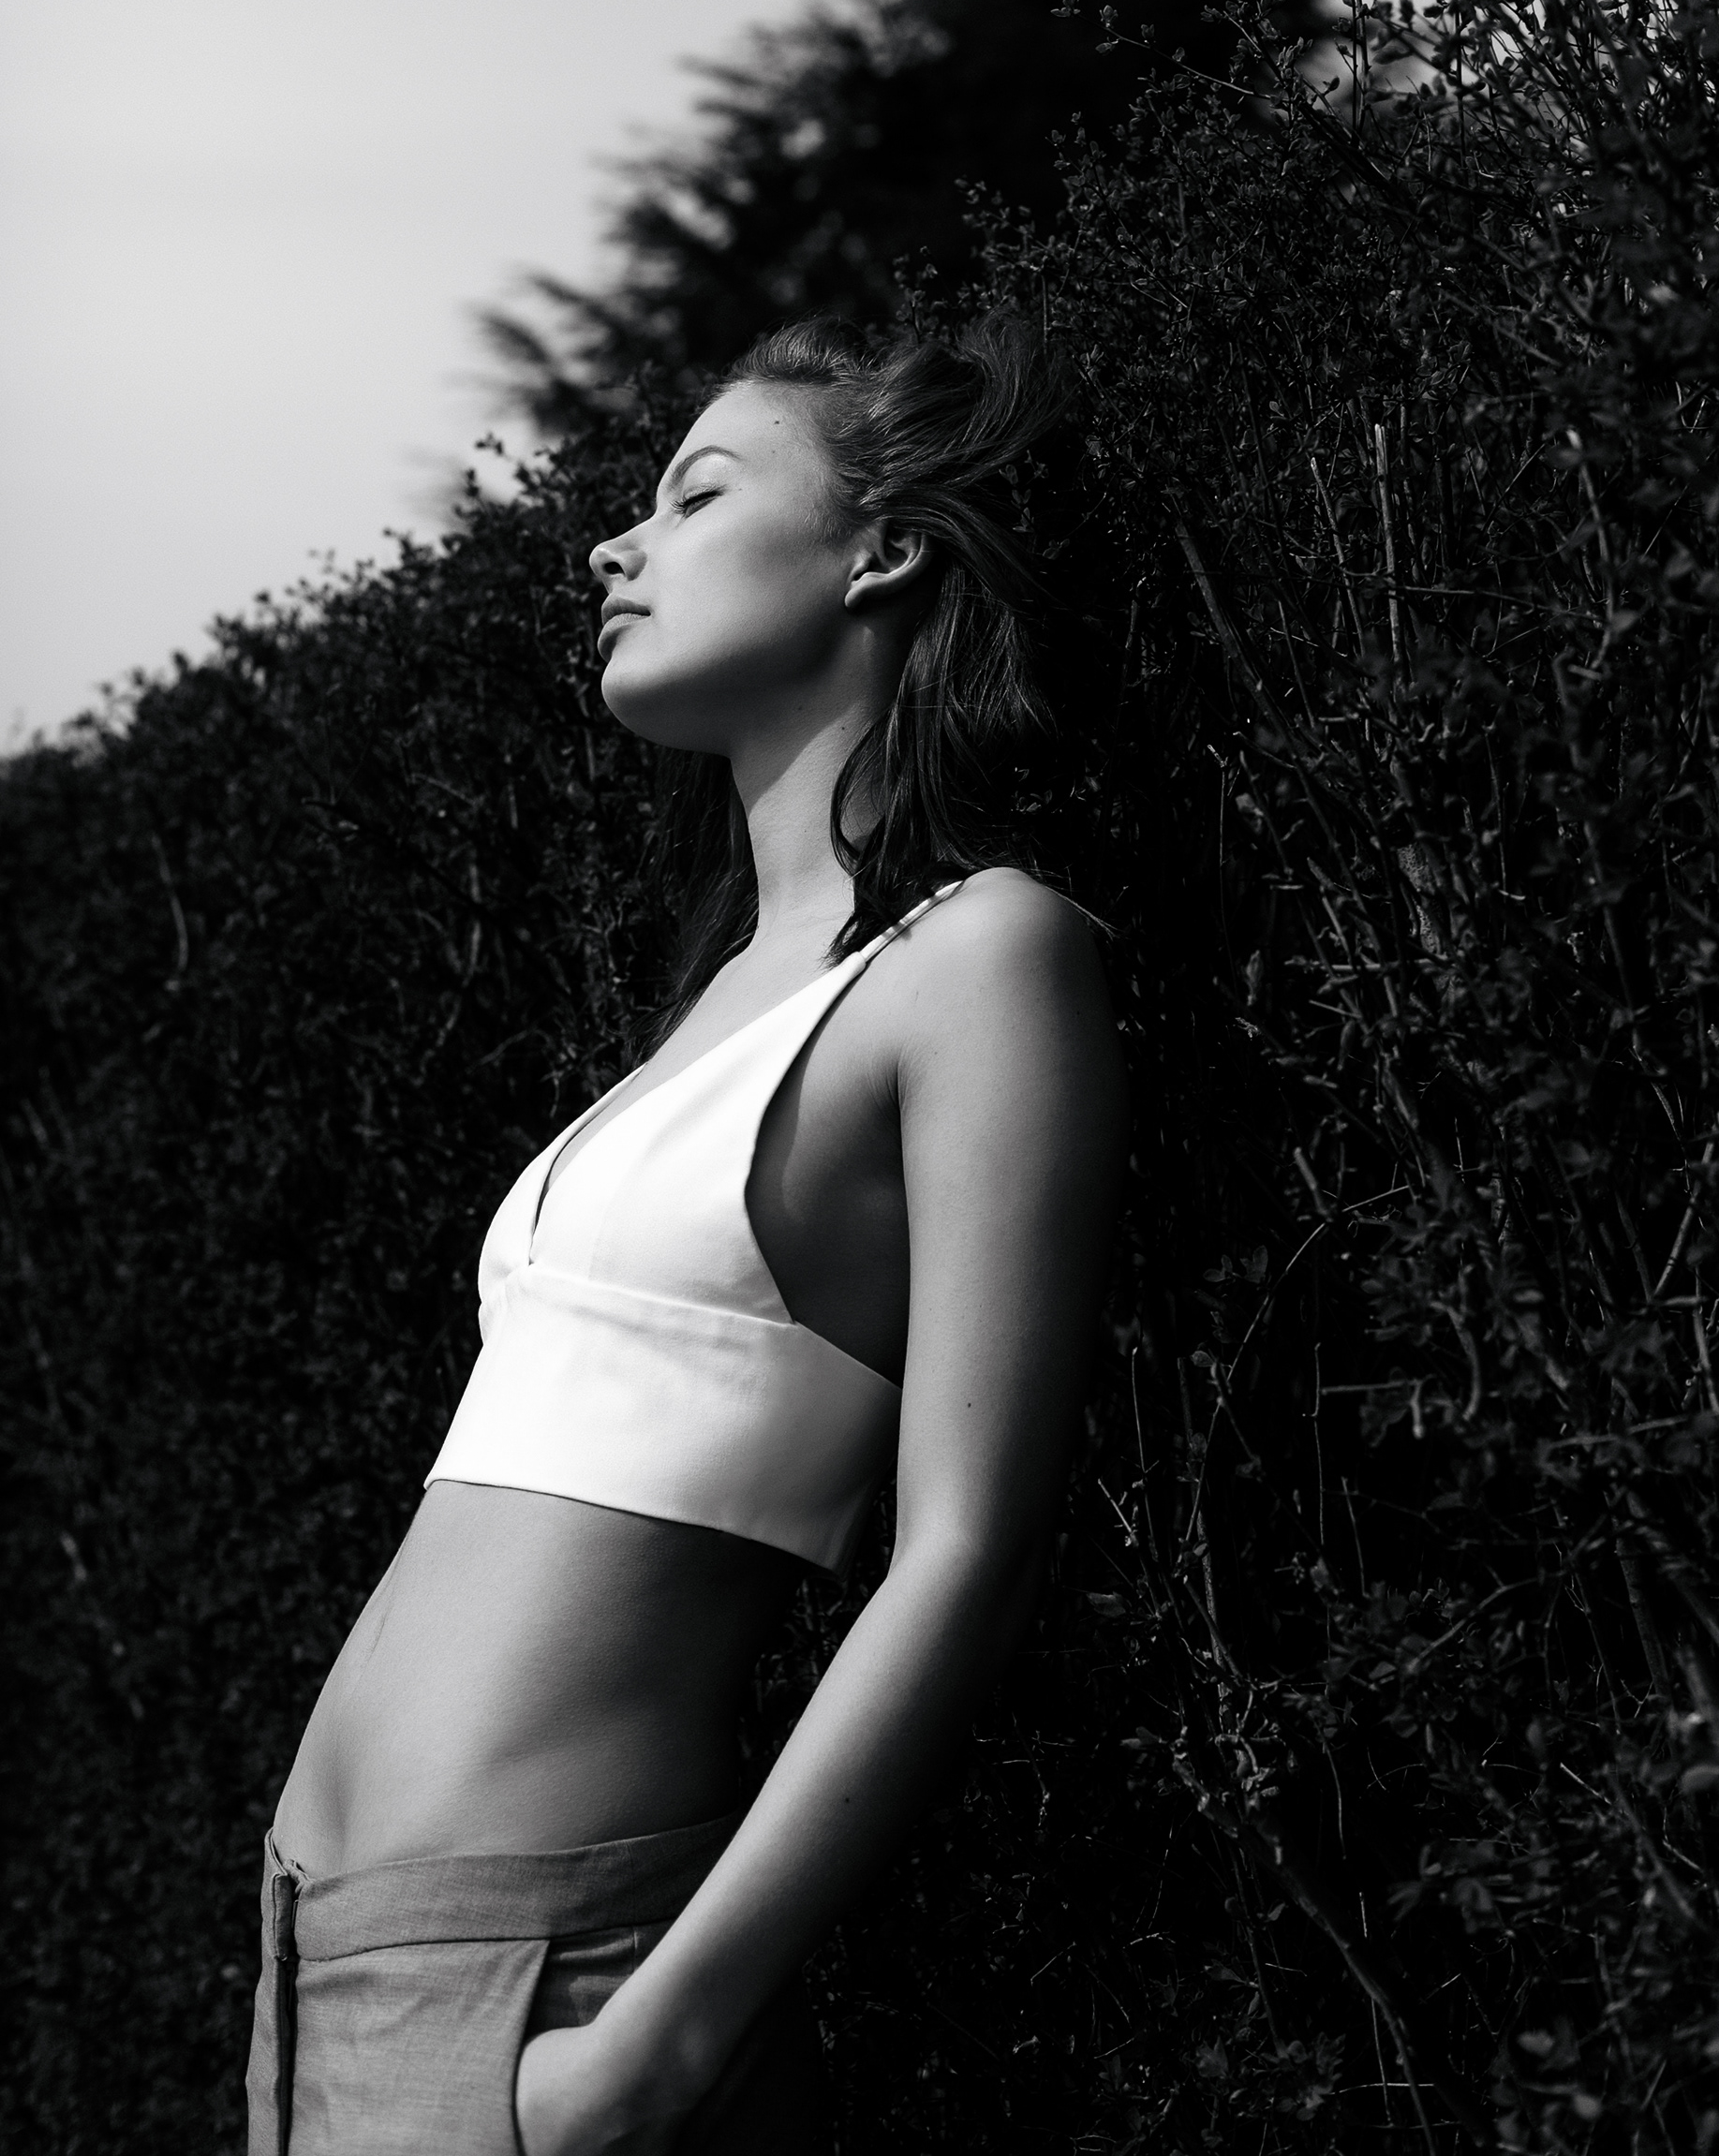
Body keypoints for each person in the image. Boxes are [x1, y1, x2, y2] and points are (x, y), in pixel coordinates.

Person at [246, 313, 1128, 2154]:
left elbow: (970, 1551)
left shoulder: (978, 957)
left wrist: (648, 2054)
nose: (611, 545)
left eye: (697, 491)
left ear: (881, 549)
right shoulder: (717, 995)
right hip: (325, 1967)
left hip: (554, 1998)